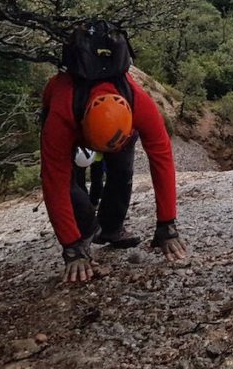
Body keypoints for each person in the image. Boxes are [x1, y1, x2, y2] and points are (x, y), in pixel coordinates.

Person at [40, 24, 187, 283]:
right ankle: (86, 231)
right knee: (72, 186)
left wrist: (167, 224)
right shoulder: (61, 116)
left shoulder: (139, 103)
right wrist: (71, 246)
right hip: (73, 126)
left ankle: (111, 229)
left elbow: (162, 160)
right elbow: (54, 184)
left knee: (122, 172)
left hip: (118, 128)